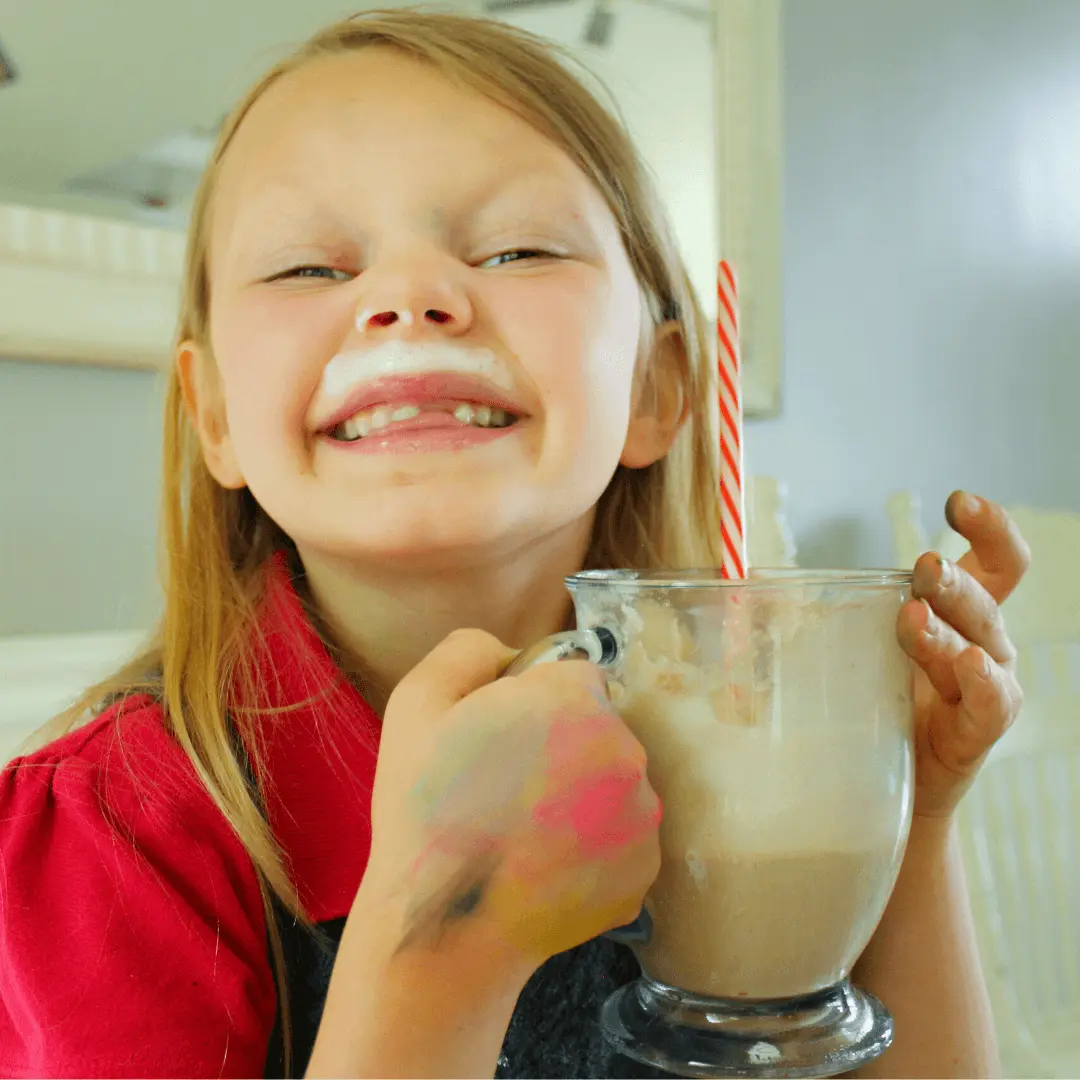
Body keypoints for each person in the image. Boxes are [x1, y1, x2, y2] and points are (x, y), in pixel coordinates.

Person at [0, 10, 1029, 1079]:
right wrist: (444, 936)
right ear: (214, 415)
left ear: (659, 388)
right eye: (309, 268)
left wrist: (905, 809)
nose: (410, 300)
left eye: (516, 249)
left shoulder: (738, 742)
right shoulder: (114, 836)